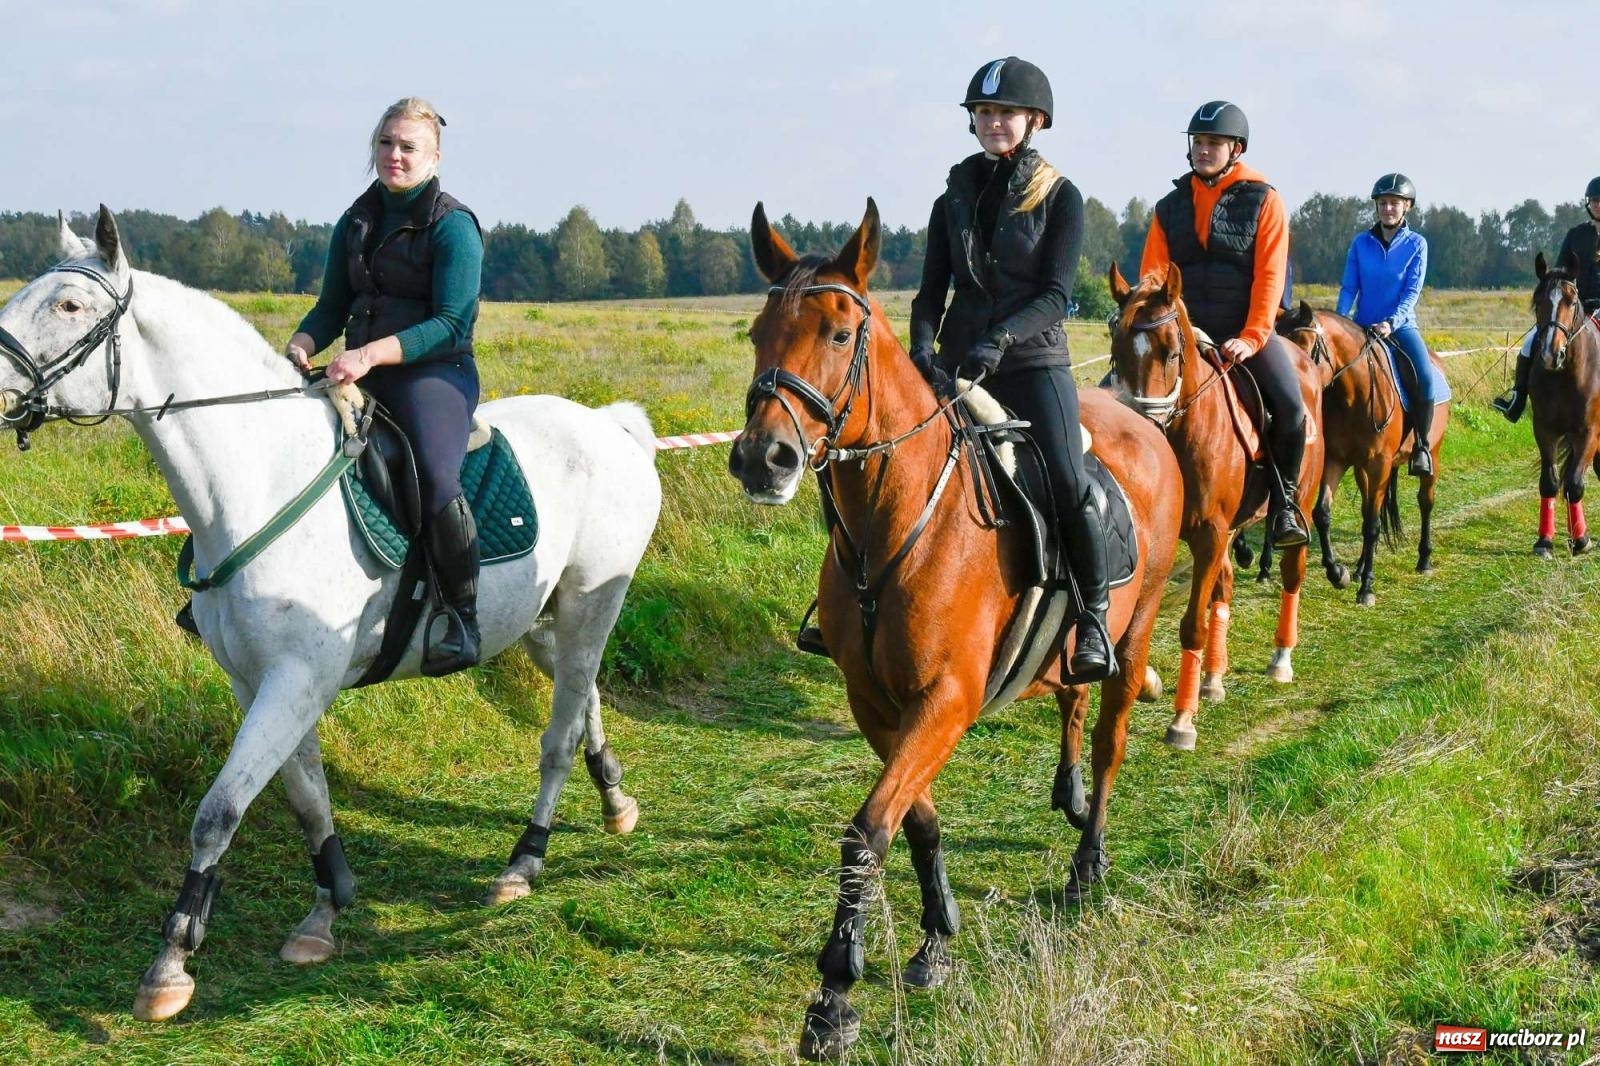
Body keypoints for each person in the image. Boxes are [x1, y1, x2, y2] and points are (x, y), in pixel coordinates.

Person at [908, 56, 1113, 681]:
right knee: (888, 460)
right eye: (984, 113)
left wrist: (999, 340)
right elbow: (929, 292)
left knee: (1065, 478)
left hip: (1031, 360)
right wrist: (921, 350)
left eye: (1005, 113)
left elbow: (1055, 294)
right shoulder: (954, 196)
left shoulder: (1061, 196)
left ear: (1035, 120)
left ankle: (1093, 617)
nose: (993, 122)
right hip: (957, 360)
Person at [287, 96, 486, 675]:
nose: (394, 156)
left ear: (435, 157)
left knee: (436, 472)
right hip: (358, 369)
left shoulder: (455, 226)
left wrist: (369, 354)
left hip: (433, 375)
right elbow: (331, 305)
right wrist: (301, 344)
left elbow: (451, 323)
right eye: (385, 144)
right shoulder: (356, 220)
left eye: (407, 147)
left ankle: (460, 616)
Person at [1140, 101, 1310, 547]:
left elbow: (1270, 276)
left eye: (1213, 142)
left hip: (1244, 330)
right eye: (1197, 142)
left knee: (1291, 410)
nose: (1203, 149)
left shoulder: (1265, 200)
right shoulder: (1169, 206)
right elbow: (1154, 279)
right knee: (1122, 400)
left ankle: (1285, 506)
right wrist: (1166, 328)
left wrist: (1252, 338)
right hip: (1184, 333)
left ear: (1235, 148)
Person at [1337, 173, 1446, 475]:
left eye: (1394, 203)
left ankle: (1421, 446)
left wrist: (1391, 322)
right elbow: (1349, 287)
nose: (1387, 209)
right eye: (1383, 203)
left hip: (1400, 328)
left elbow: (1412, 291)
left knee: (1424, 377)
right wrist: (1340, 320)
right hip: (1361, 327)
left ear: (1407, 207)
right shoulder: (1360, 243)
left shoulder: (1417, 244)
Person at [1493, 176, 1600, 421]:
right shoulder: (1576, 234)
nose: (1598, 205)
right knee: (1532, 341)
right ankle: (1518, 397)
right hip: (1572, 306)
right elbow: (1562, 270)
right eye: (1594, 200)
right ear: (1588, 204)